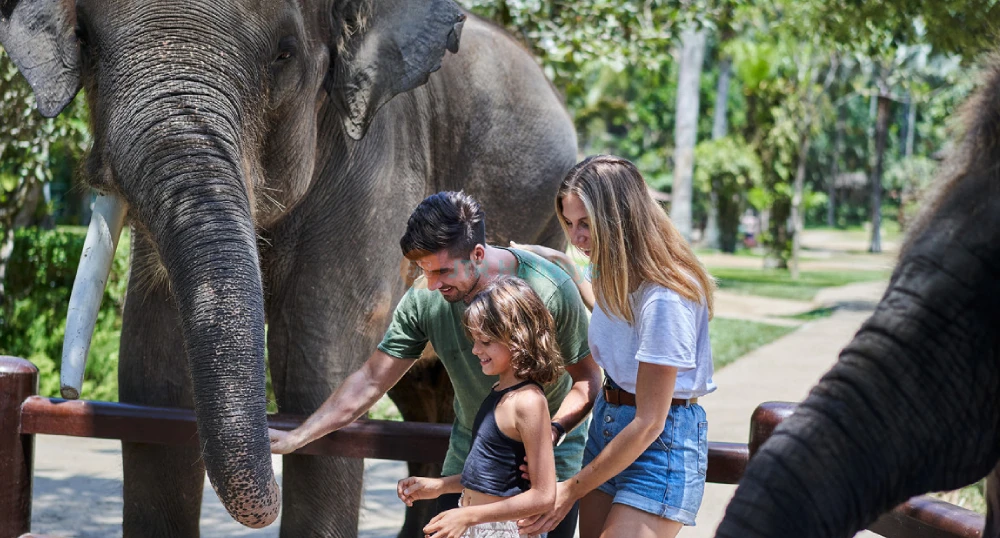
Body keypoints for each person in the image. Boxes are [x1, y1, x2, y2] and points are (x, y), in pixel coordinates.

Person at [269, 191, 600, 537]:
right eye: (424, 271)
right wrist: (299, 437)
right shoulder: (426, 297)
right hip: (467, 474)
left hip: (543, 475)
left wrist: (552, 432)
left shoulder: (548, 289)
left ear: (477, 254)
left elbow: (588, 379)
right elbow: (371, 380)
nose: (431, 284)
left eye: (441, 270)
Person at [519, 156, 717, 538]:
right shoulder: (618, 276)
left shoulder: (665, 298)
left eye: (586, 224)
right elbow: (616, 314)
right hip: (608, 426)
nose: (576, 238)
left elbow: (649, 422)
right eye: (571, 224)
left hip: (659, 444)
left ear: (619, 218)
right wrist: (568, 268)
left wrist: (570, 489)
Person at [397, 276, 561, 538]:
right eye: (474, 340)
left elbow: (544, 496)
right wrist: (439, 486)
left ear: (518, 338)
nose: (475, 350)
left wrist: (469, 515)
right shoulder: (497, 391)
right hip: (473, 522)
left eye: (485, 342)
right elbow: (488, 475)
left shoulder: (528, 402)